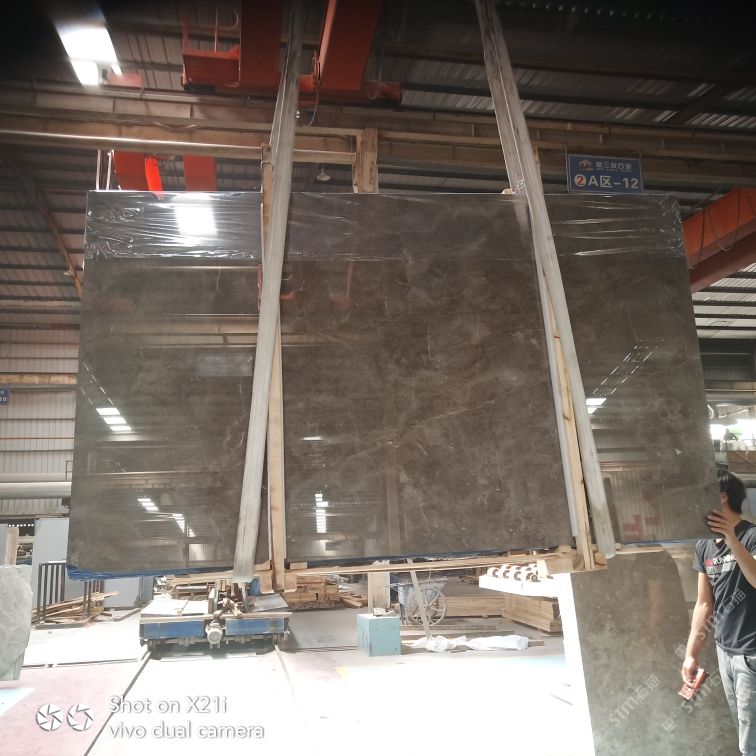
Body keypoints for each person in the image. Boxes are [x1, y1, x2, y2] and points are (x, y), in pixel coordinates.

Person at [682, 470, 756, 756]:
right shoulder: (704, 545)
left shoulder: (752, 536)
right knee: (743, 729)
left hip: (751, 652)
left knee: (750, 743)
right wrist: (691, 654)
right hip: (725, 651)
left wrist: (732, 540)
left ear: (722, 497)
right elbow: (704, 604)